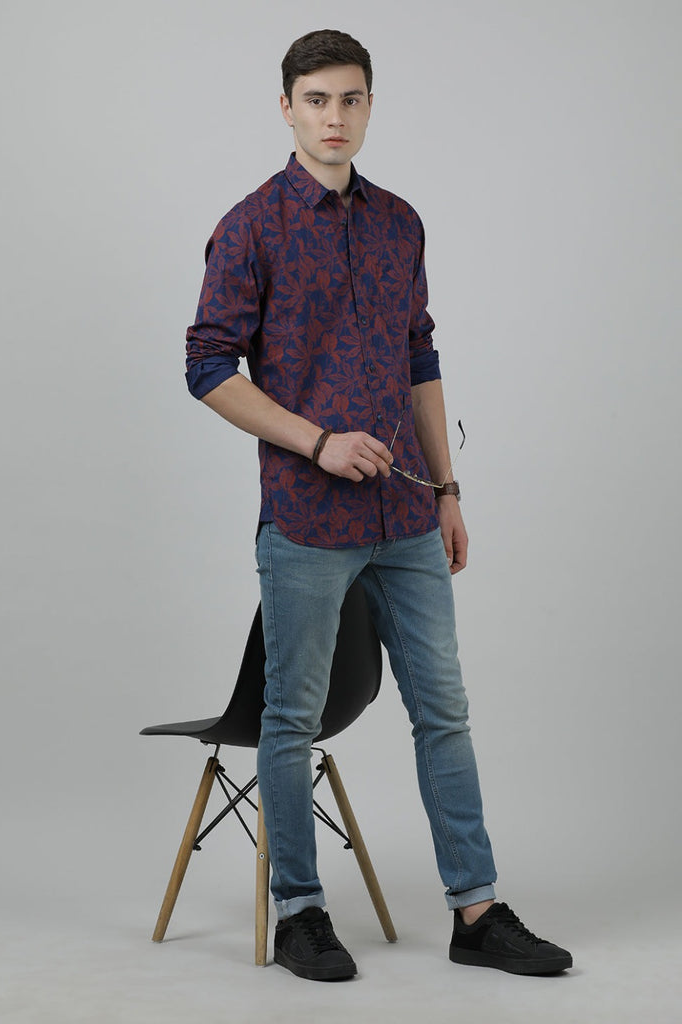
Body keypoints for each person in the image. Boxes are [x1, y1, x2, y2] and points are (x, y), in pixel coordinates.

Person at [185, 28, 572, 982]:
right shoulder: (249, 226)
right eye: (317, 99)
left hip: (406, 519)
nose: (334, 116)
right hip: (306, 520)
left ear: (368, 107)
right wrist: (317, 440)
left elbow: (419, 355)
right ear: (287, 108)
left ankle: (476, 911)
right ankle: (300, 913)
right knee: (290, 717)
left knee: (444, 710)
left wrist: (448, 490)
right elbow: (207, 368)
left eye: (350, 99)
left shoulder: (401, 222)